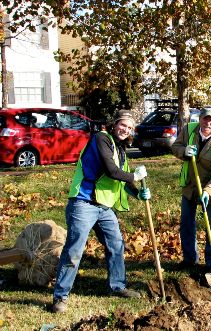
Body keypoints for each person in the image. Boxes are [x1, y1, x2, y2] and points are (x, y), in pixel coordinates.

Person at [52, 110, 151, 313]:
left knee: (116, 245)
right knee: (74, 251)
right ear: (114, 124)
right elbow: (111, 171)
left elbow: (121, 181)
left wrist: (138, 193)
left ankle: (118, 287)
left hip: (104, 207)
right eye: (123, 125)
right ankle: (60, 297)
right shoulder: (101, 138)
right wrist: (134, 176)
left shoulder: (120, 148)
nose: (125, 130)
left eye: (130, 127)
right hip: (83, 203)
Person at [171, 107, 211, 271]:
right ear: (200, 119)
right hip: (190, 186)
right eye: (205, 118)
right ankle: (190, 260)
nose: (208, 122)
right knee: (186, 224)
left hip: (210, 191)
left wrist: (208, 190)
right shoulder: (189, 130)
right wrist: (184, 151)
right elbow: (175, 146)